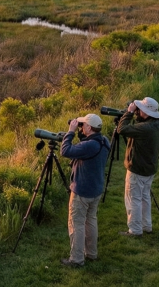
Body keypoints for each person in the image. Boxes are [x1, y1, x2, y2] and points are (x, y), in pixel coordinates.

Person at [59, 113, 111, 267]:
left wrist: (70, 132)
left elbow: (65, 151)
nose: (81, 128)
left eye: (82, 126)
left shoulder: (89, 146)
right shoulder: (104, 140)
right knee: (91, 220)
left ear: (89, 127)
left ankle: (76, 259)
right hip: (96, 188)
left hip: (82, 190)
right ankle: (91, 253)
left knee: (77, 223)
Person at [116, 97, 159, 236]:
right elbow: (137, 126)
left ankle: (135, 230)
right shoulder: (157, 124)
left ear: (146, 113)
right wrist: (136, 115)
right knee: (144, 197)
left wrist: (129, 113)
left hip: (138, 168)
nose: (138, 111)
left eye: (140, 110)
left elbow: (121, 129)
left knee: (133, 200)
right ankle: (146, 225)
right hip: (149, 167)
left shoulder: (145, 129)